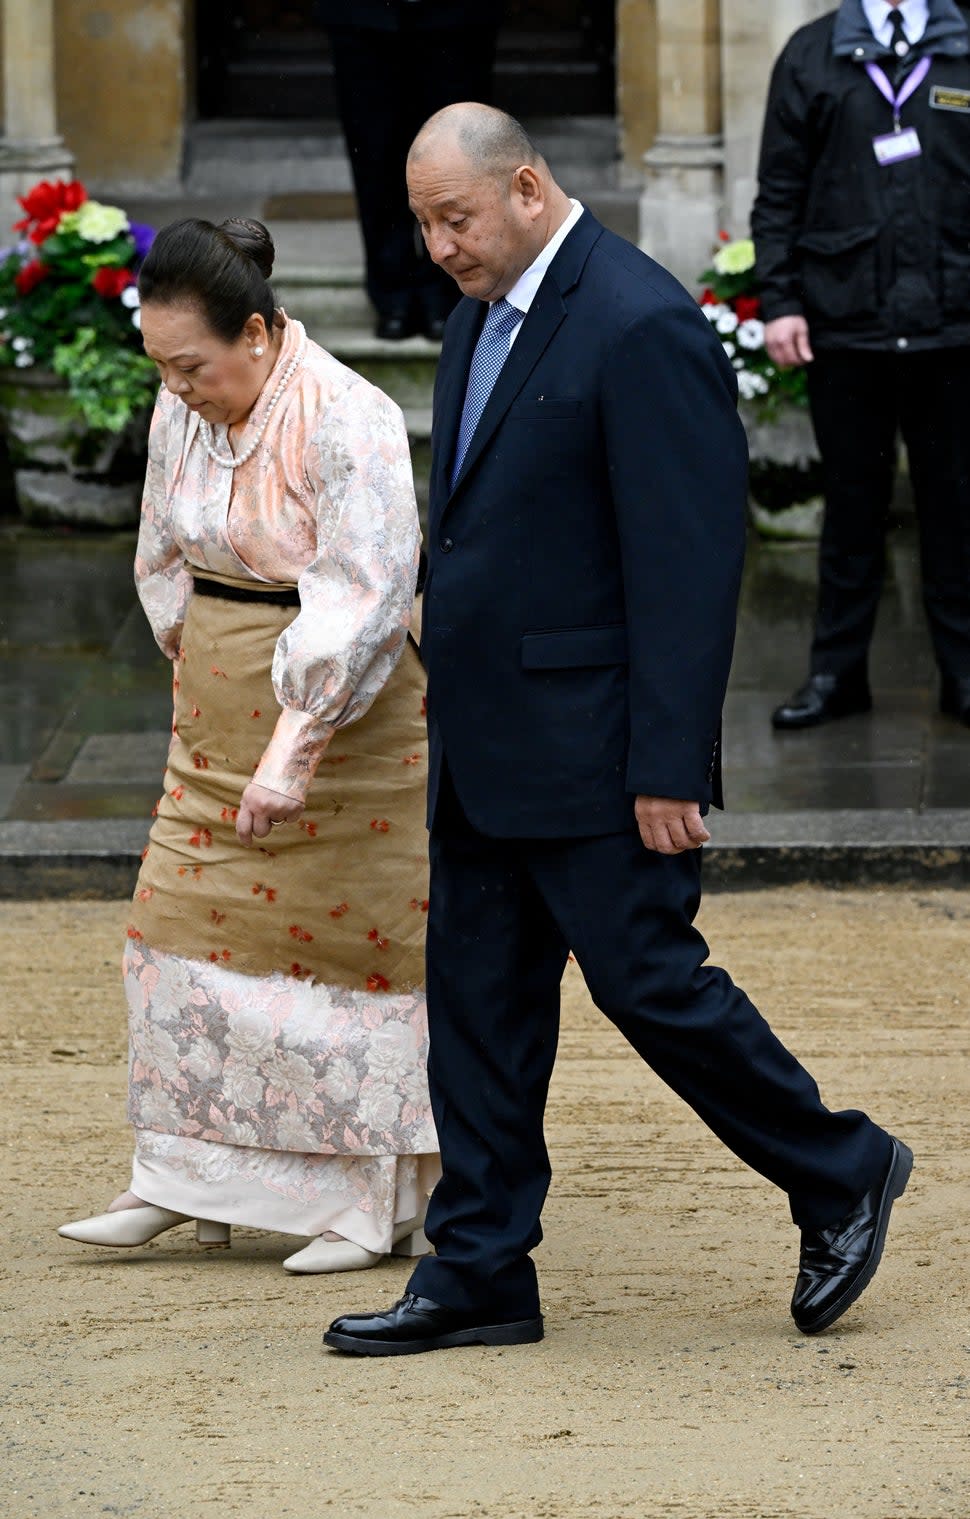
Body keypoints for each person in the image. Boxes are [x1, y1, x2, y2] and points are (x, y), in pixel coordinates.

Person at [323, 104, 913, 1357]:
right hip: (485, 739)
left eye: (454, 218)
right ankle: (479, 1266)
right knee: (478, 1002)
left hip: (596, 747)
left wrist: (668, 764)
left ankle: (841, 1165)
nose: (436, 246)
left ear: (526, 187)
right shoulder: (480, 306)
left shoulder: (642, 320)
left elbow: (690, 565)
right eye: (423, 222)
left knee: (651, 986)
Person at [57, 216, 439, 1274]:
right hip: (214, 696)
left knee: (346, 955)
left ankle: (370, 1201)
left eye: (192, 366)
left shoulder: (346, 413)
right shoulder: (181, 402)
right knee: (173, 930)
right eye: (162, 367)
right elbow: (158, 545)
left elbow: (365, 595)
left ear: (261, 335)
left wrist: (291, 750)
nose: (175, 388)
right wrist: (194, 665)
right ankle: (183, 1177)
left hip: (343, 716)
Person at [752, 0, 970, 730]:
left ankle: (964, 674)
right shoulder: (812, 55)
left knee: (958, 514)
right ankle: (836, 675)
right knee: (850, 515)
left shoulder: (963, 42)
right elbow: (779, 190)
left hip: (953, 329)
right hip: (847, 332)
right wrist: (780, 301)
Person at [317, 0, 504, 340]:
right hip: (363, 15)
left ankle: (450, 292)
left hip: (455, 16)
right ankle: (392, 294)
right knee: (374, 153)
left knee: (458, 151)